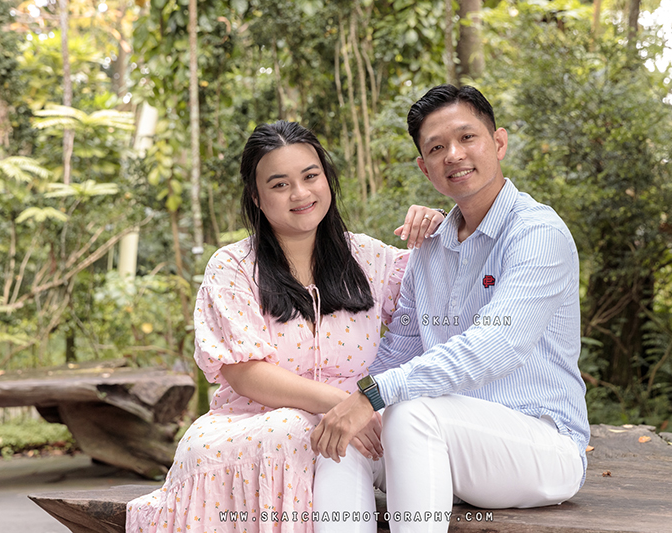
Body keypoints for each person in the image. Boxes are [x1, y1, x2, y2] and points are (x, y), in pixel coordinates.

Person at [125, 120, 445, 533]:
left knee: (367, 437)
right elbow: (243, 373)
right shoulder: (234, 267)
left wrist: (440, 224)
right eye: (280, 185)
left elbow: (440, 293)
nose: (300, 193)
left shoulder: (369, 258)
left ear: (327, 178)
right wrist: (340, 402)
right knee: (296, 428)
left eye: (310, 176)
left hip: (355, 426)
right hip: (255, 425)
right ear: (256, 198)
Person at [311, 84, 590, 533]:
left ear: (498, 142)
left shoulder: (538, 234)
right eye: (437, 148)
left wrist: (374, 395)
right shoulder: (430, 250)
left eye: (467, 138)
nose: (454, 155)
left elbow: (495, 346)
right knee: (344, 438)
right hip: (446, 441)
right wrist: (354, 403)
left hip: (541, 448)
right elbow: (398, 351)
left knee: (408, 410)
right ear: (425, 167)